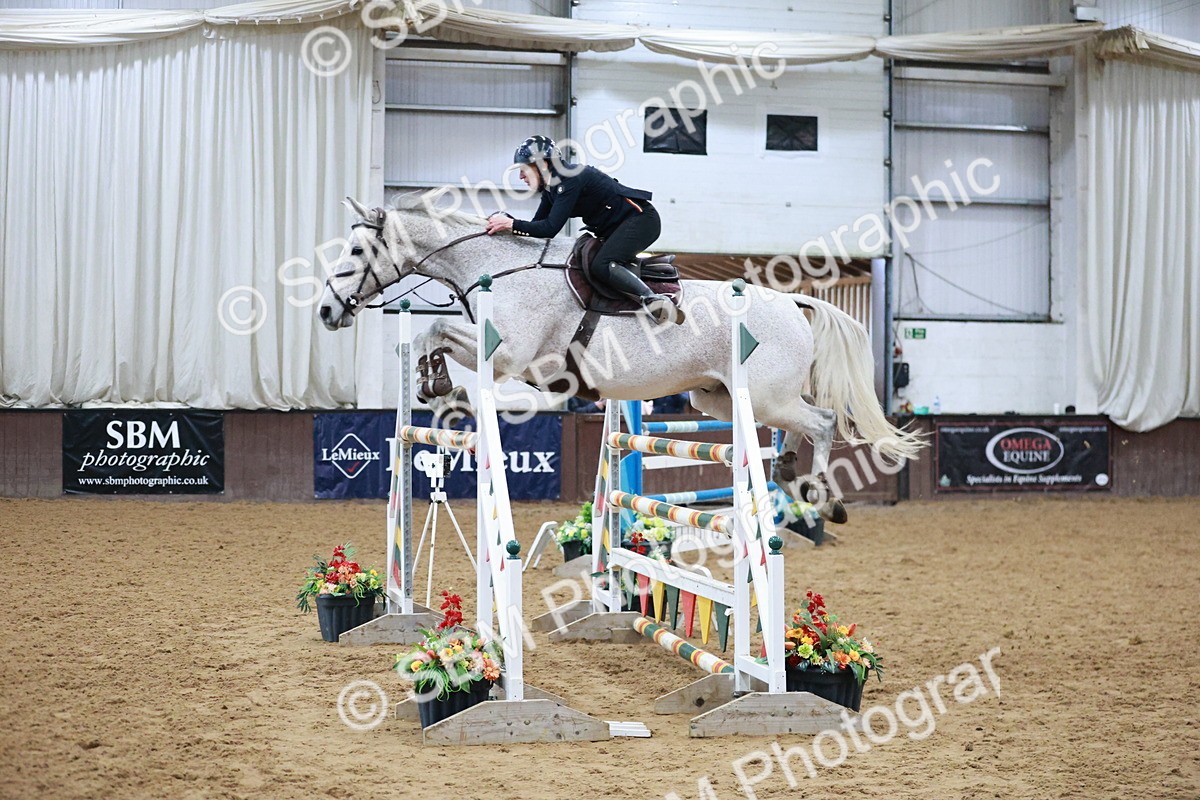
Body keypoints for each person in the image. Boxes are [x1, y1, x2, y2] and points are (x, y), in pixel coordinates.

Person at [484, 135, 679, 324]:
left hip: (641, 220)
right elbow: (537, 228)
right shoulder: (551, 189)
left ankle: (652, 300)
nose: (520, 176)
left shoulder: (570, 179)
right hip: (618, 226)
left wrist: (510, 224)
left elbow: (550, 229)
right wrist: (509, 224)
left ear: (542, 165)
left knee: (602, 264)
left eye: (524, 169)